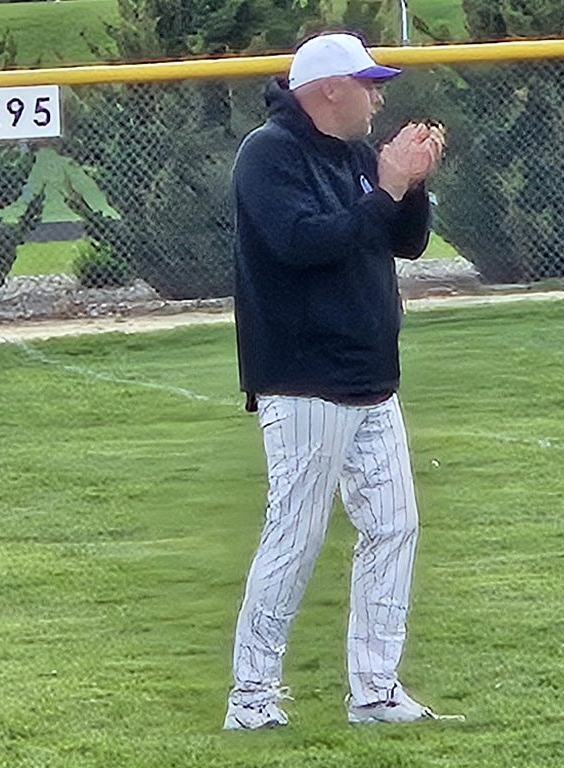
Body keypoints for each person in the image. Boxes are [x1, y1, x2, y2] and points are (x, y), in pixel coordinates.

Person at [224, 31, 450, 731]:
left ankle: (375, 691)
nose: (379, 95)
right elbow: (304, 244)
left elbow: (401, 240)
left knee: (394, 526)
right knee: (295, 533)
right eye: (369, 83)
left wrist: (410, 186)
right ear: (328, 90)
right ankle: (251, 699)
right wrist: (386, 186)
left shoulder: (356, 156)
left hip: (370, 377)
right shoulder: (269, 155)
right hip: (303, 380)